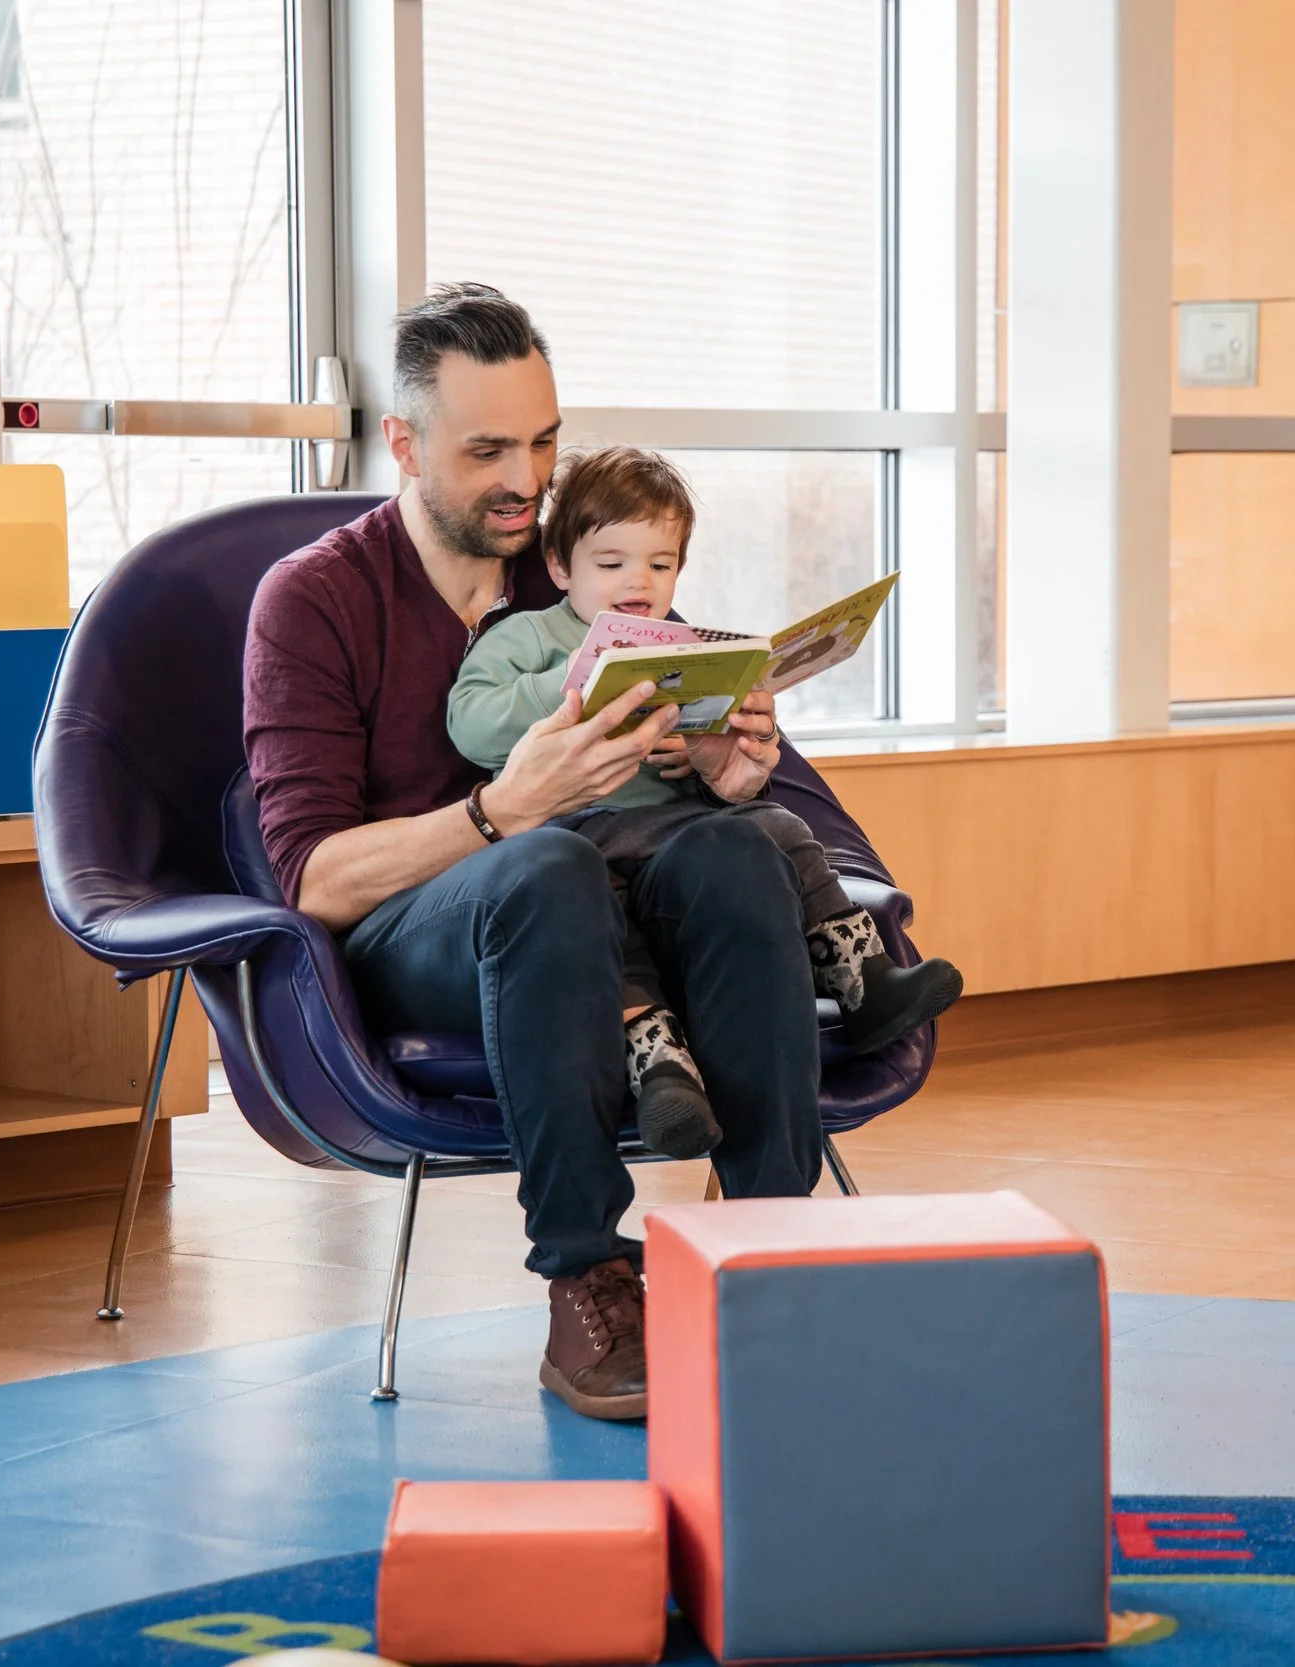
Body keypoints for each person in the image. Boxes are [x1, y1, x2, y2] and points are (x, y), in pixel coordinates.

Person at [244, 284, 824, 1422]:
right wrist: (498, 813)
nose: (527, 478)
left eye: (545, 441)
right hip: (419, 931)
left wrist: (742, 773)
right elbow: (310, 879)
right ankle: (585, 1274)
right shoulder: (311, 600)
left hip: (617, 902)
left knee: (739, 854)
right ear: (403, 444)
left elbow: (719, 773)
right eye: (489, 449)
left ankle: (765, 1250)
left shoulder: (582, 567)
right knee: (542, 868)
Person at [446, 446, 963, 1163]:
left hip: (677, 837)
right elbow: (468, 722)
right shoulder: (528, 637)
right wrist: (563, 681)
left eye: (660, 565)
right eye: (612, 562)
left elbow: (715, 775)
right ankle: (661, 1071)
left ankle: (863, 978)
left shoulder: (680, 646)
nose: (639, 580)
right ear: (561, 567)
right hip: (574, 834)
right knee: (597, 910)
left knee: (777, 823)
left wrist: (716, 753)